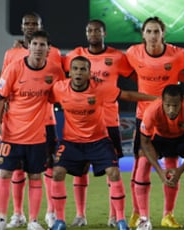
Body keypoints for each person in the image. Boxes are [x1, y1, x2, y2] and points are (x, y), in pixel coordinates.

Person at [49, 56, 156, 230]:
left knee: (114, 172)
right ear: (70, 72)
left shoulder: (100, 88)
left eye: (83, 69)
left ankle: (120, 220)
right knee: (57, 173)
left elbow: (127, 95)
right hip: (71, 142)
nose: (78, 72)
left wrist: (156, 99)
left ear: (89, 73)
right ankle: (59, 220)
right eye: (75, 68)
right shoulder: (59, 88)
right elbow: (41, 98)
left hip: (98, 140)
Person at [125, 16, 184, 229]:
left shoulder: (178, 54)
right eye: (149, 31)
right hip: (144, 117)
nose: (153, 35)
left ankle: (168, 214)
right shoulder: (132, 53)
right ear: (143, 34)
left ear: (163, 34)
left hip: (171, 117)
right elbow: (126, 71)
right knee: (140, 166)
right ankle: (139, 214)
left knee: (172, 166)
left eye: (157, 31)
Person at [62, 19, 134, 227]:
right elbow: (52, 60)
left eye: (97, 30)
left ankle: (114, 216)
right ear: (86, 33)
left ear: (105, 33)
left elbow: (135, 71)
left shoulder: (117, 57)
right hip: (81, 123)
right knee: (80, 169)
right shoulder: (75, 56)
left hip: (109, 121)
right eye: (89, 30)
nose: (93, 33)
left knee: (112, 170)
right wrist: (22, 46)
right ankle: (80, 215)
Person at [0, 30, 65, 230]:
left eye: (43, 45)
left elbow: (62, 94)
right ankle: (1, 219)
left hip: (37, 135)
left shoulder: (54, 71)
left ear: (49, 49)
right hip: (11, 133)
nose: (39, 48)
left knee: (35, 176)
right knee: (5, 173)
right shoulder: (14, 68)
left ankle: (33, 220)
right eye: (35, 44)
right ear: (28, 46)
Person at [139, 84, 184, 230]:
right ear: (161, 102)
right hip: (160, 139)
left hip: (182, 138)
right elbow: (145, 143)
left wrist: (180, 170)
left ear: (182, 102)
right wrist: (159, 171)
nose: (171, 110)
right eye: (168, 105)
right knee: (142, 162)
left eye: (175, 105)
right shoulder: (151, 111)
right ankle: (144, 219)